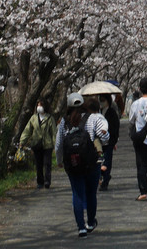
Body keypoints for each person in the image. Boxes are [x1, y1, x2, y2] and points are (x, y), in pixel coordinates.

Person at [55, 93, 106, 238]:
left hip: (73, 164)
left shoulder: (64, 121)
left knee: (77, 194)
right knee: (91, 193)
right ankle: (90, 222)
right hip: (91, 163)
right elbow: (104, 138)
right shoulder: (93, 117)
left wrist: (59, 161)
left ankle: (81, 228)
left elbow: (58, 144)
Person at [19, 100, 57, 189]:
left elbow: (54, 132)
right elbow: (27, 131)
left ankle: (47, 181)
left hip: (47, 145)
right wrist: (22, 142)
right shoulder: (33, 118)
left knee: (47, 164)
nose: (39, 107)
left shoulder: (49, 118)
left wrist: (56, 145)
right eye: (38, 105)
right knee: (38, 164)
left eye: (41, 105)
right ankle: (40, 181)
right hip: (36, 144)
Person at [99, 93, 121, 191]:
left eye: (103, 100)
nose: (101, 102)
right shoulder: (97, 112)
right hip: (98, 142)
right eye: (100, 100)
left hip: (108, 141)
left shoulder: (112, 113)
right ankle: (103, 177)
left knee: (107, 162)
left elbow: (115, 127)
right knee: (99, 162)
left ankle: (105, 181)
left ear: (108, 101)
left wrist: (113, 140)